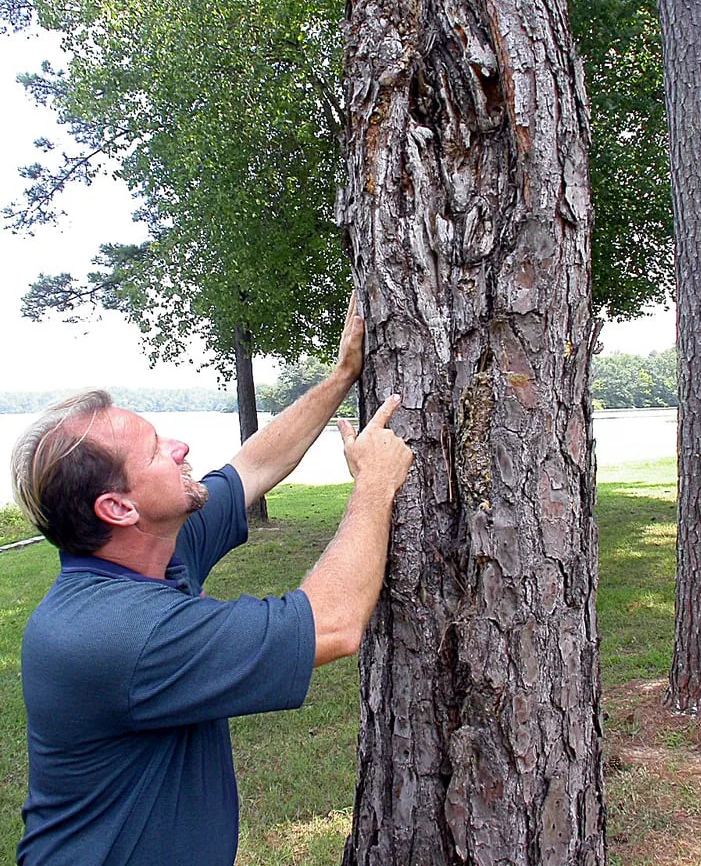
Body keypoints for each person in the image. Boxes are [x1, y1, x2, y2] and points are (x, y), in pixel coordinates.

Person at [10, 297, 413, 866]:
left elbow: (253, 467)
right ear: (119, 508)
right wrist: (375, 485)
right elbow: (335, 623)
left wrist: (342, 375)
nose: (181, 448)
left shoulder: (152, 551)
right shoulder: (118, 634)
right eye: (155, 451)